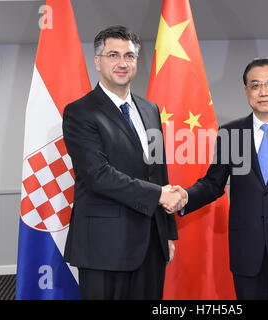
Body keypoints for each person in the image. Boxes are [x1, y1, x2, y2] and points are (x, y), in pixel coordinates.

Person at [170, 57, 268, 300]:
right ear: (246, 91)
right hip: (247, 250)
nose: (263, 92)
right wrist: (184, 196)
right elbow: (213, 184)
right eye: (255, 85)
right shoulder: (231, 133)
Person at [62, 25, 184, 300]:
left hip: (151, 242)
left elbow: (158, 171)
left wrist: (167, 233)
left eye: (129, 56)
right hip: (104, 246)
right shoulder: (80, 112)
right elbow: (97, 175)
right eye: (113, 55)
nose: (122, 63)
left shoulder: (150, 109)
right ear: (98, 61)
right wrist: (159, 195)